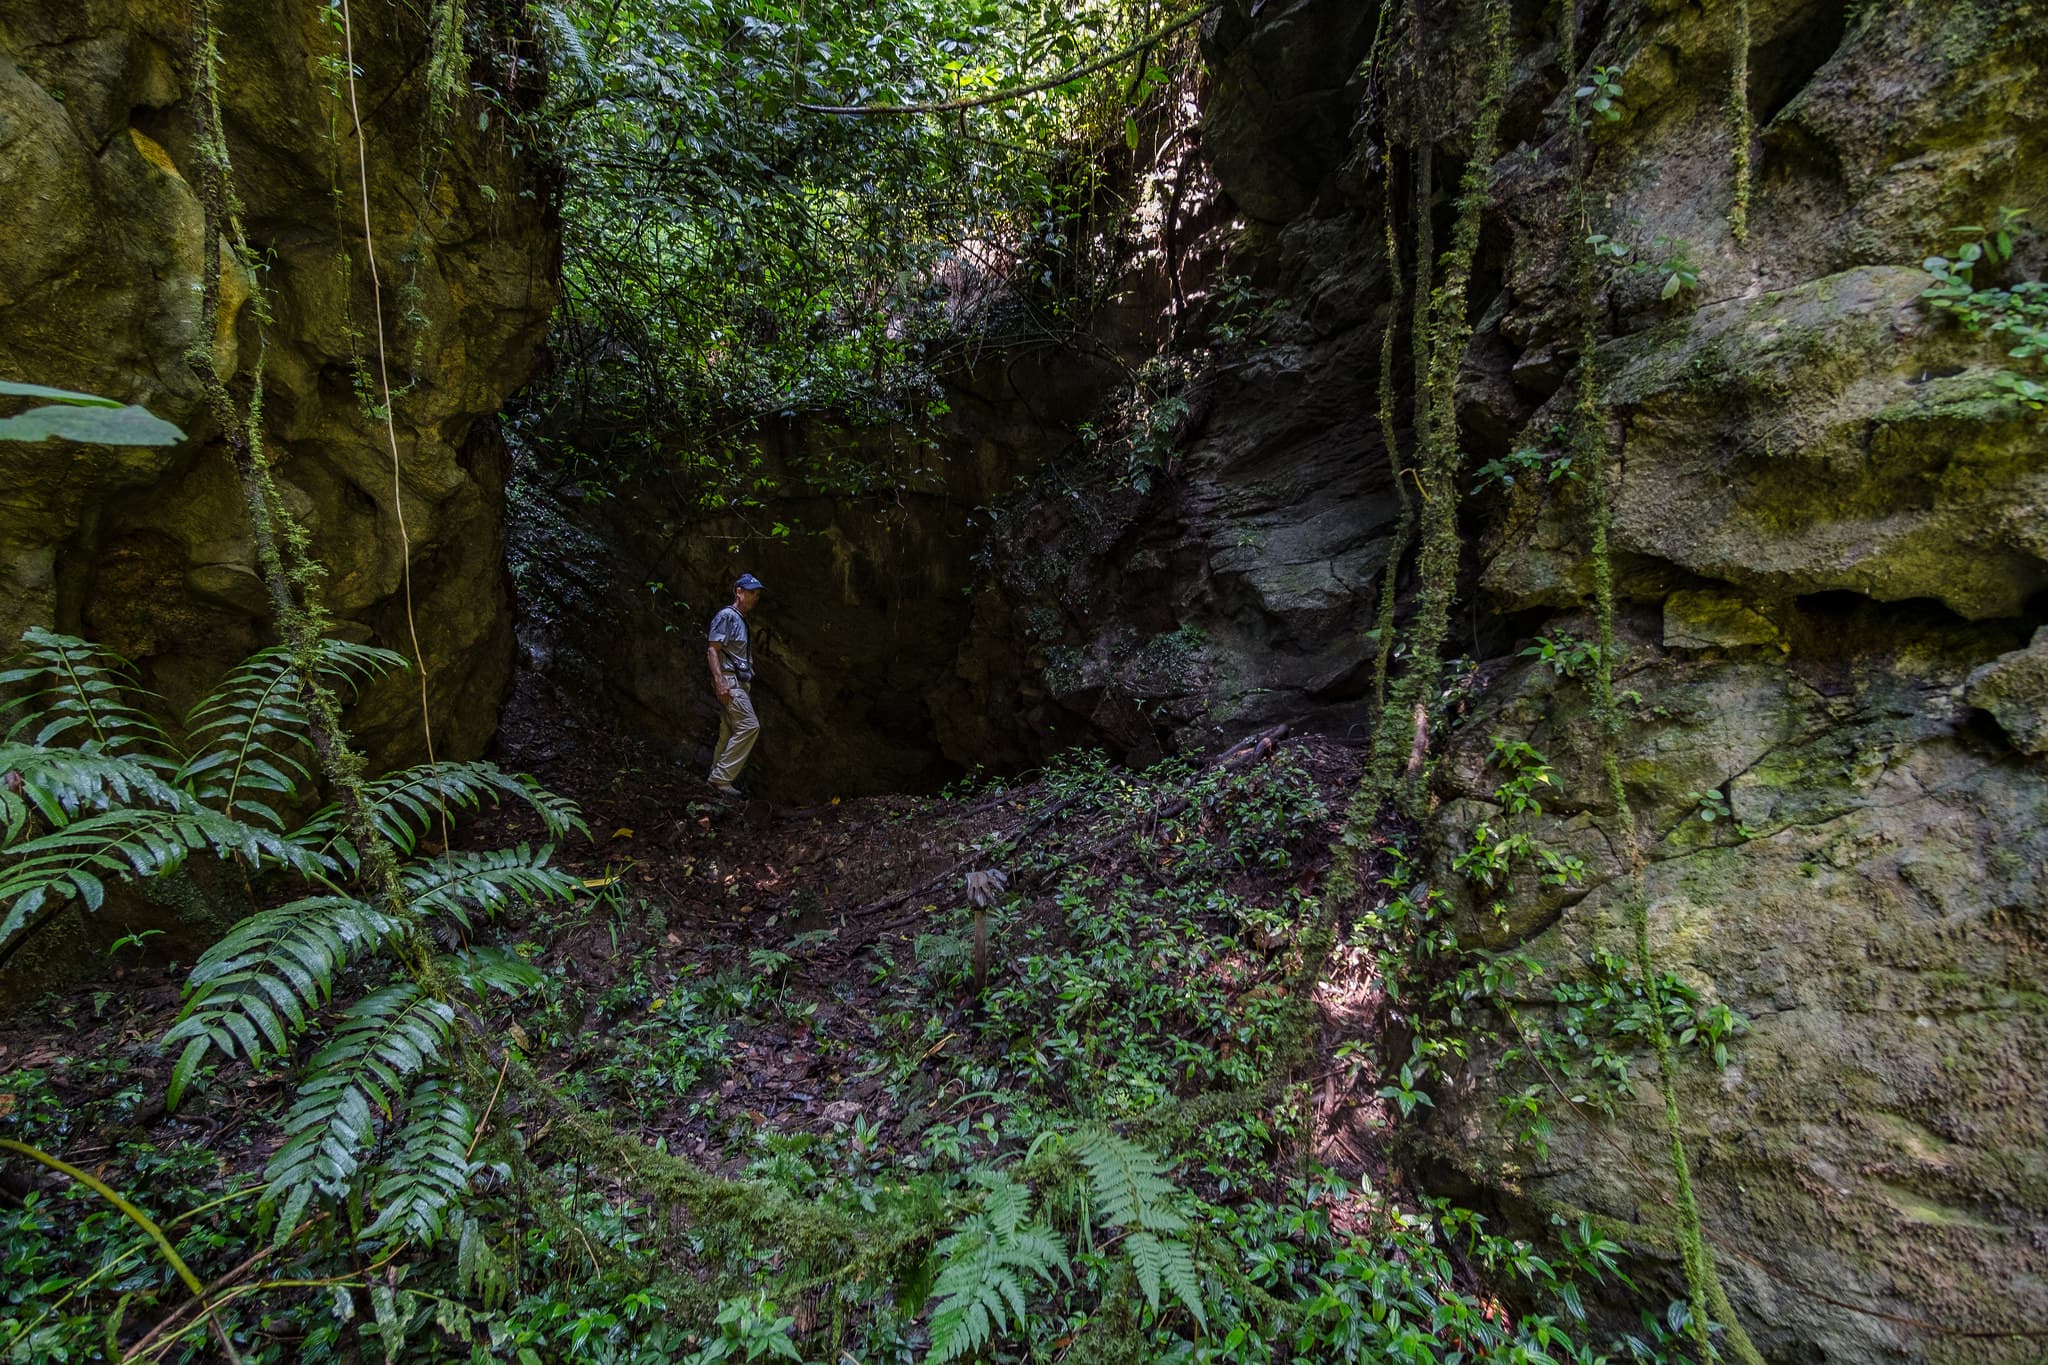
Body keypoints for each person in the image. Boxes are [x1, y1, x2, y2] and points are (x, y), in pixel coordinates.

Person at [706, 573, 764, 797]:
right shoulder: (727, 616)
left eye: (757, 594)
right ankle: (720, 778)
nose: (754, 598)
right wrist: (720, 681)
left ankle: (714, 781)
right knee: (750, 726)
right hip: (730, 682)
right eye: (751, 593)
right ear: (738, 591)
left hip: (739, 682)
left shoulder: (740, 619)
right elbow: (713, 649)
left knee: (728, 731)